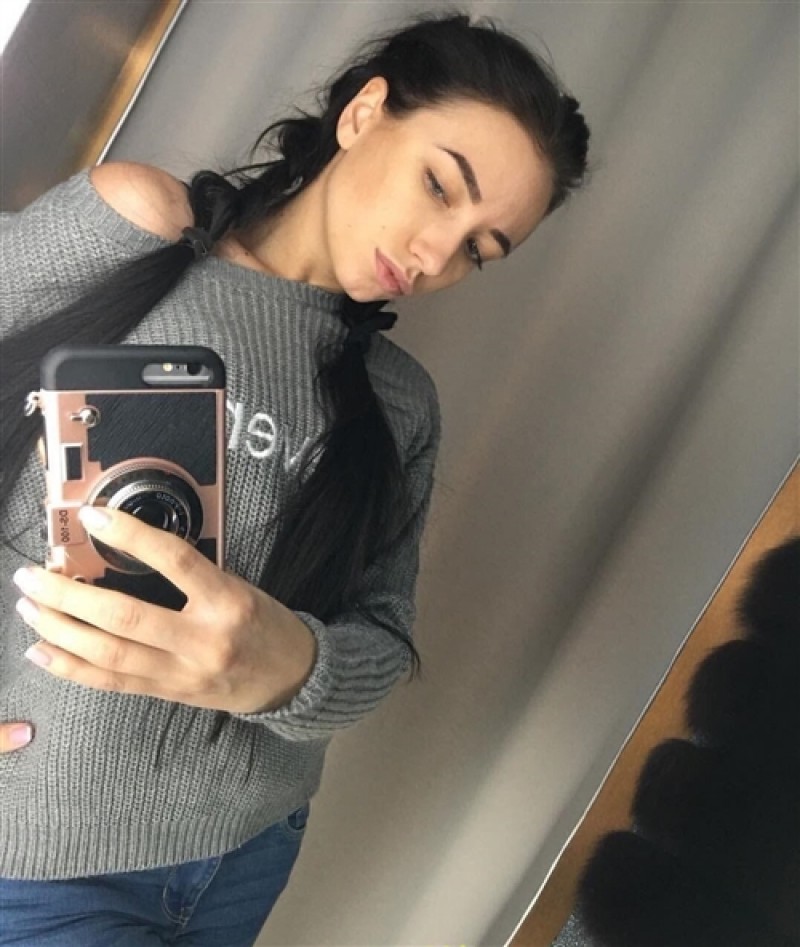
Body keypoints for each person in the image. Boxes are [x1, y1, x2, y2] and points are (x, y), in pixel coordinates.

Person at [0, 10, 590, 946]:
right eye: (439, 185)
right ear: (363, 113)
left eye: (481, 250)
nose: (436, 255)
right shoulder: (138, 224)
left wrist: (291, 666)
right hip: (45, 855)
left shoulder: (398, 403)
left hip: (246, 849)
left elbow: (382, 634)